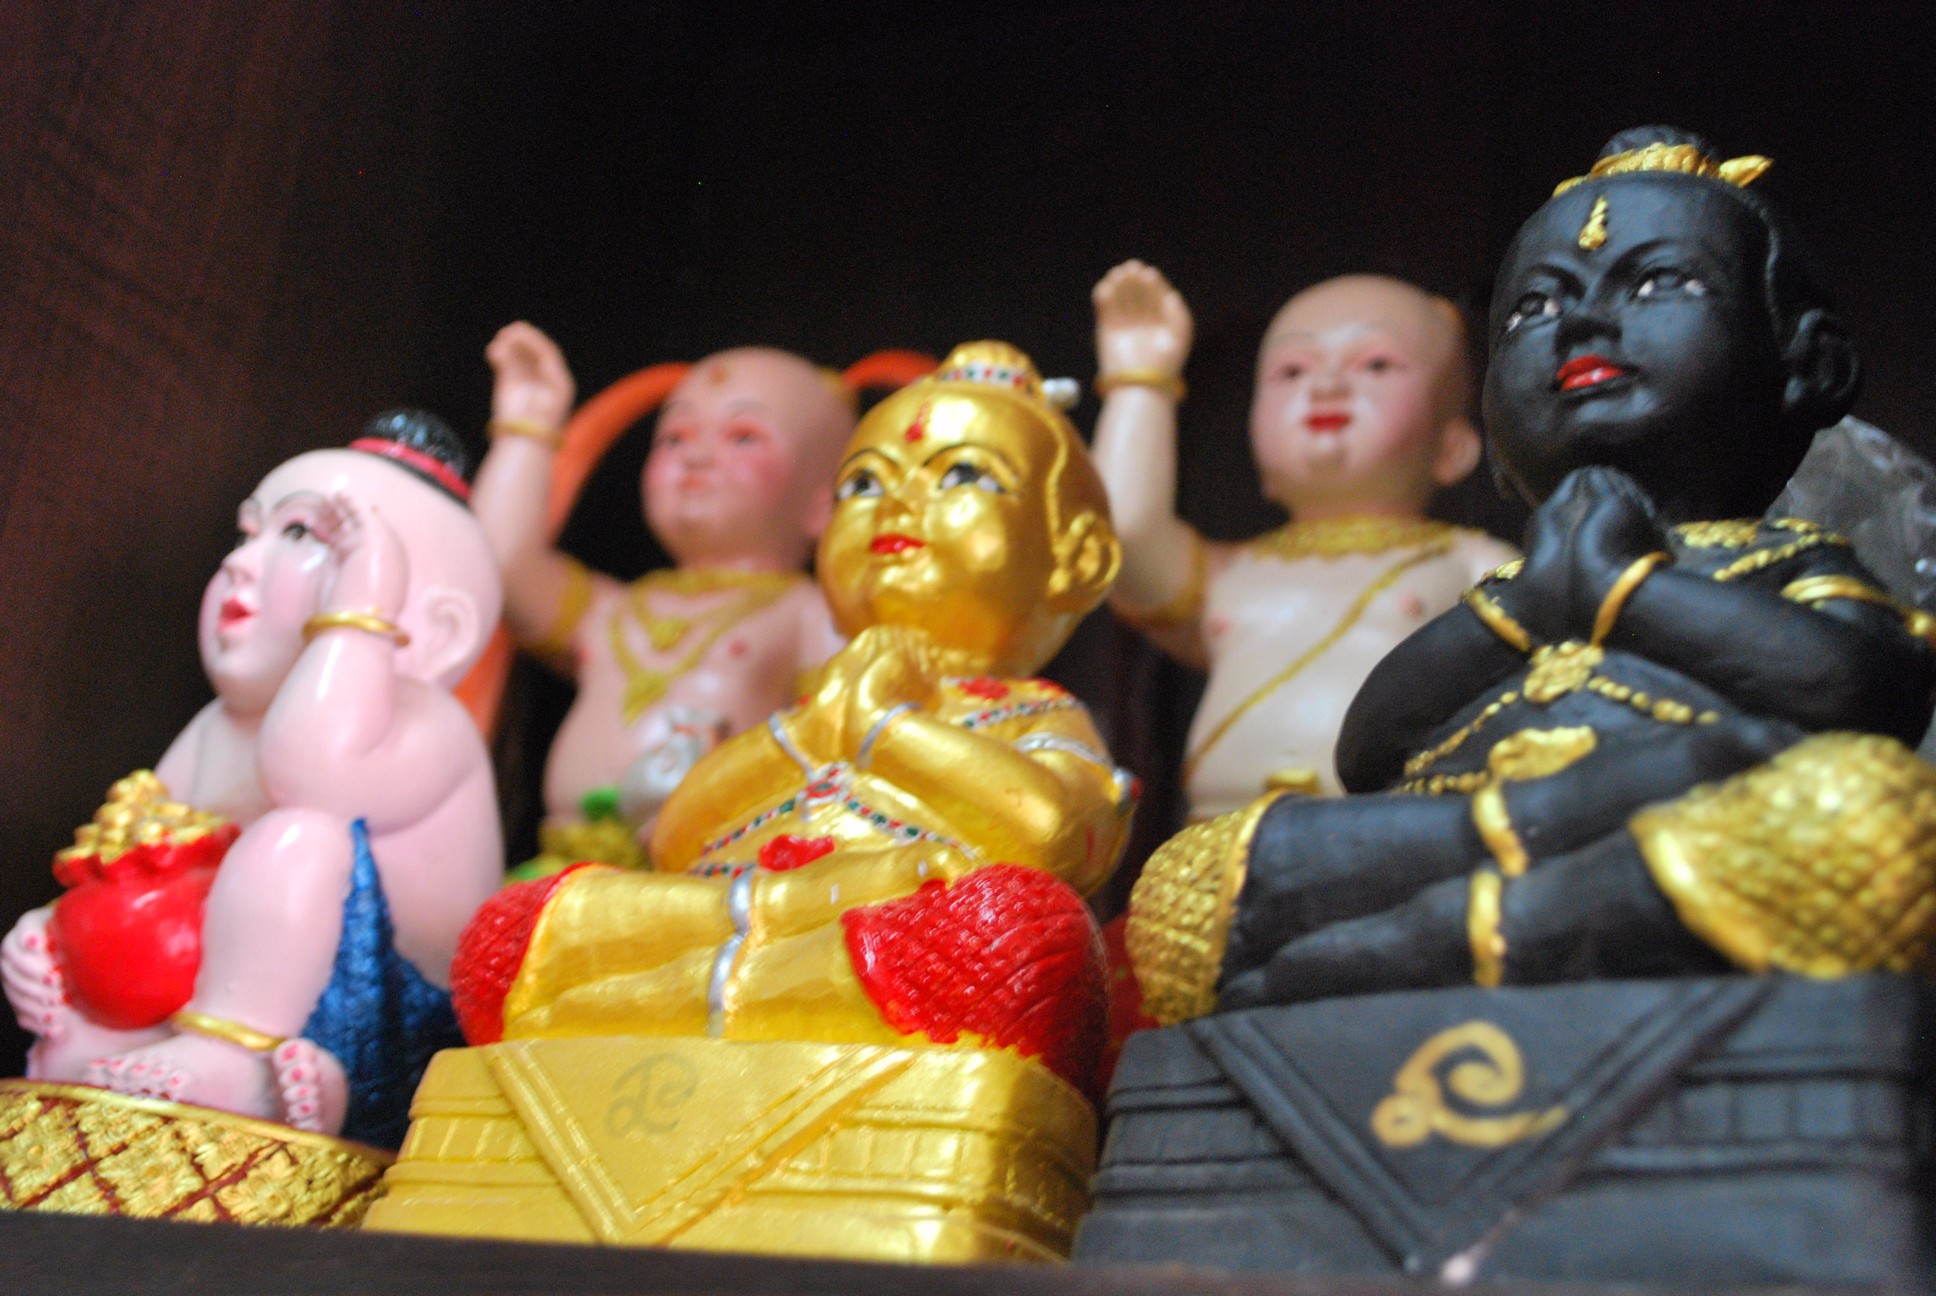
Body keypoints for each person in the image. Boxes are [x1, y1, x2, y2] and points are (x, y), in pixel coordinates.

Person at [1126, 127, 1936, 1023]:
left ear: (1811, 365)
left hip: (1682, 820)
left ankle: (1395, 951)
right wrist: (1528, 606)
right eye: (1536, 307)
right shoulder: (1521, 587)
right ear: (1492, 443)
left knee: (1862, 812)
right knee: (1192, 879)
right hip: (1454, 835)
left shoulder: (1779, 560)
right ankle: (1485, 913)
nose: (1582, 323)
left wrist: (1623, 590)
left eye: (1658, 282)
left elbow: (1859, 687)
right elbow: (1370, 750)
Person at [446, 341, 1132, 1084]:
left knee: (1011, 932)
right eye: (864, 483)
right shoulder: (818, 705)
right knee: (527, 922)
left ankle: (684, 1002)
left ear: (1080, 558)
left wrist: (884, 728)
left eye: (962, 475)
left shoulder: (1031, 712)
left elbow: (1054, 834)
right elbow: (675, 838)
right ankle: (729, 991)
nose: (898, 504)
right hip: (730, 913)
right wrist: (813, 728)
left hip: (873, 933)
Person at [2, 413, 505, 1146]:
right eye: (246, 535)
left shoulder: (431, 725)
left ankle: (242, 1060)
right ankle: (122, 1049)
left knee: (299, 836)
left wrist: (361, 604)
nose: (241, 564)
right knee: (153, 870)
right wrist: (57, 939)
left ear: (436, 632)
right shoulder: (219, 724)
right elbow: (137, 855)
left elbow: (312, 773)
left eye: (300, 533)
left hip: (386, 1027)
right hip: (190, 1000)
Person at [1090, 264, 1516, 813]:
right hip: (1217, 834)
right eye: (1292, 371)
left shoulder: (1468, 565)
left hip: (1394, 830)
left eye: (1375, 364)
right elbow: (1120, 537)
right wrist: (1140, 380)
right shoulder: (1230, 573)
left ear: (1453, 448)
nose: (1326, 386)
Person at [475, 325, 850, 873]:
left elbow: (844, 748)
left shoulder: (808, 614)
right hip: (564, 868)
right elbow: (501, 567)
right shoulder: (615, 610)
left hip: (709, 879)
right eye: (675, 438)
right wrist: (526, 427)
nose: (696, 456)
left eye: (743, 437)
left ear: (824, 505)